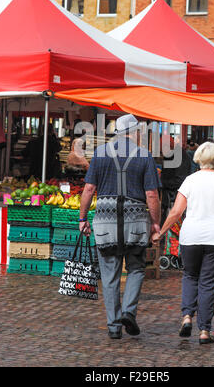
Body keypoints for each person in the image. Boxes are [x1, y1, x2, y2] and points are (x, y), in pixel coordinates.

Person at [79, 114, 161, 340]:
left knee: (110, 274)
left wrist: (82, 218)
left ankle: (114, 326)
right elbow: (152, 194)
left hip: (106, 222)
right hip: (135, 221)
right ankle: (128, 312)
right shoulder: (144, 156)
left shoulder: (100, 154)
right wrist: (156, 223)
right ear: (134, 132)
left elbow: (88, 189)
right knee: (136, 268)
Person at [152, 141, 214, 344]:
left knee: (190, 276)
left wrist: (160, 232)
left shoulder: (190, 181)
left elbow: (176, 212)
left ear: (198, 158)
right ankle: (204, 331)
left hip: (191, 236)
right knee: (208, 283)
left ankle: (186, 317)